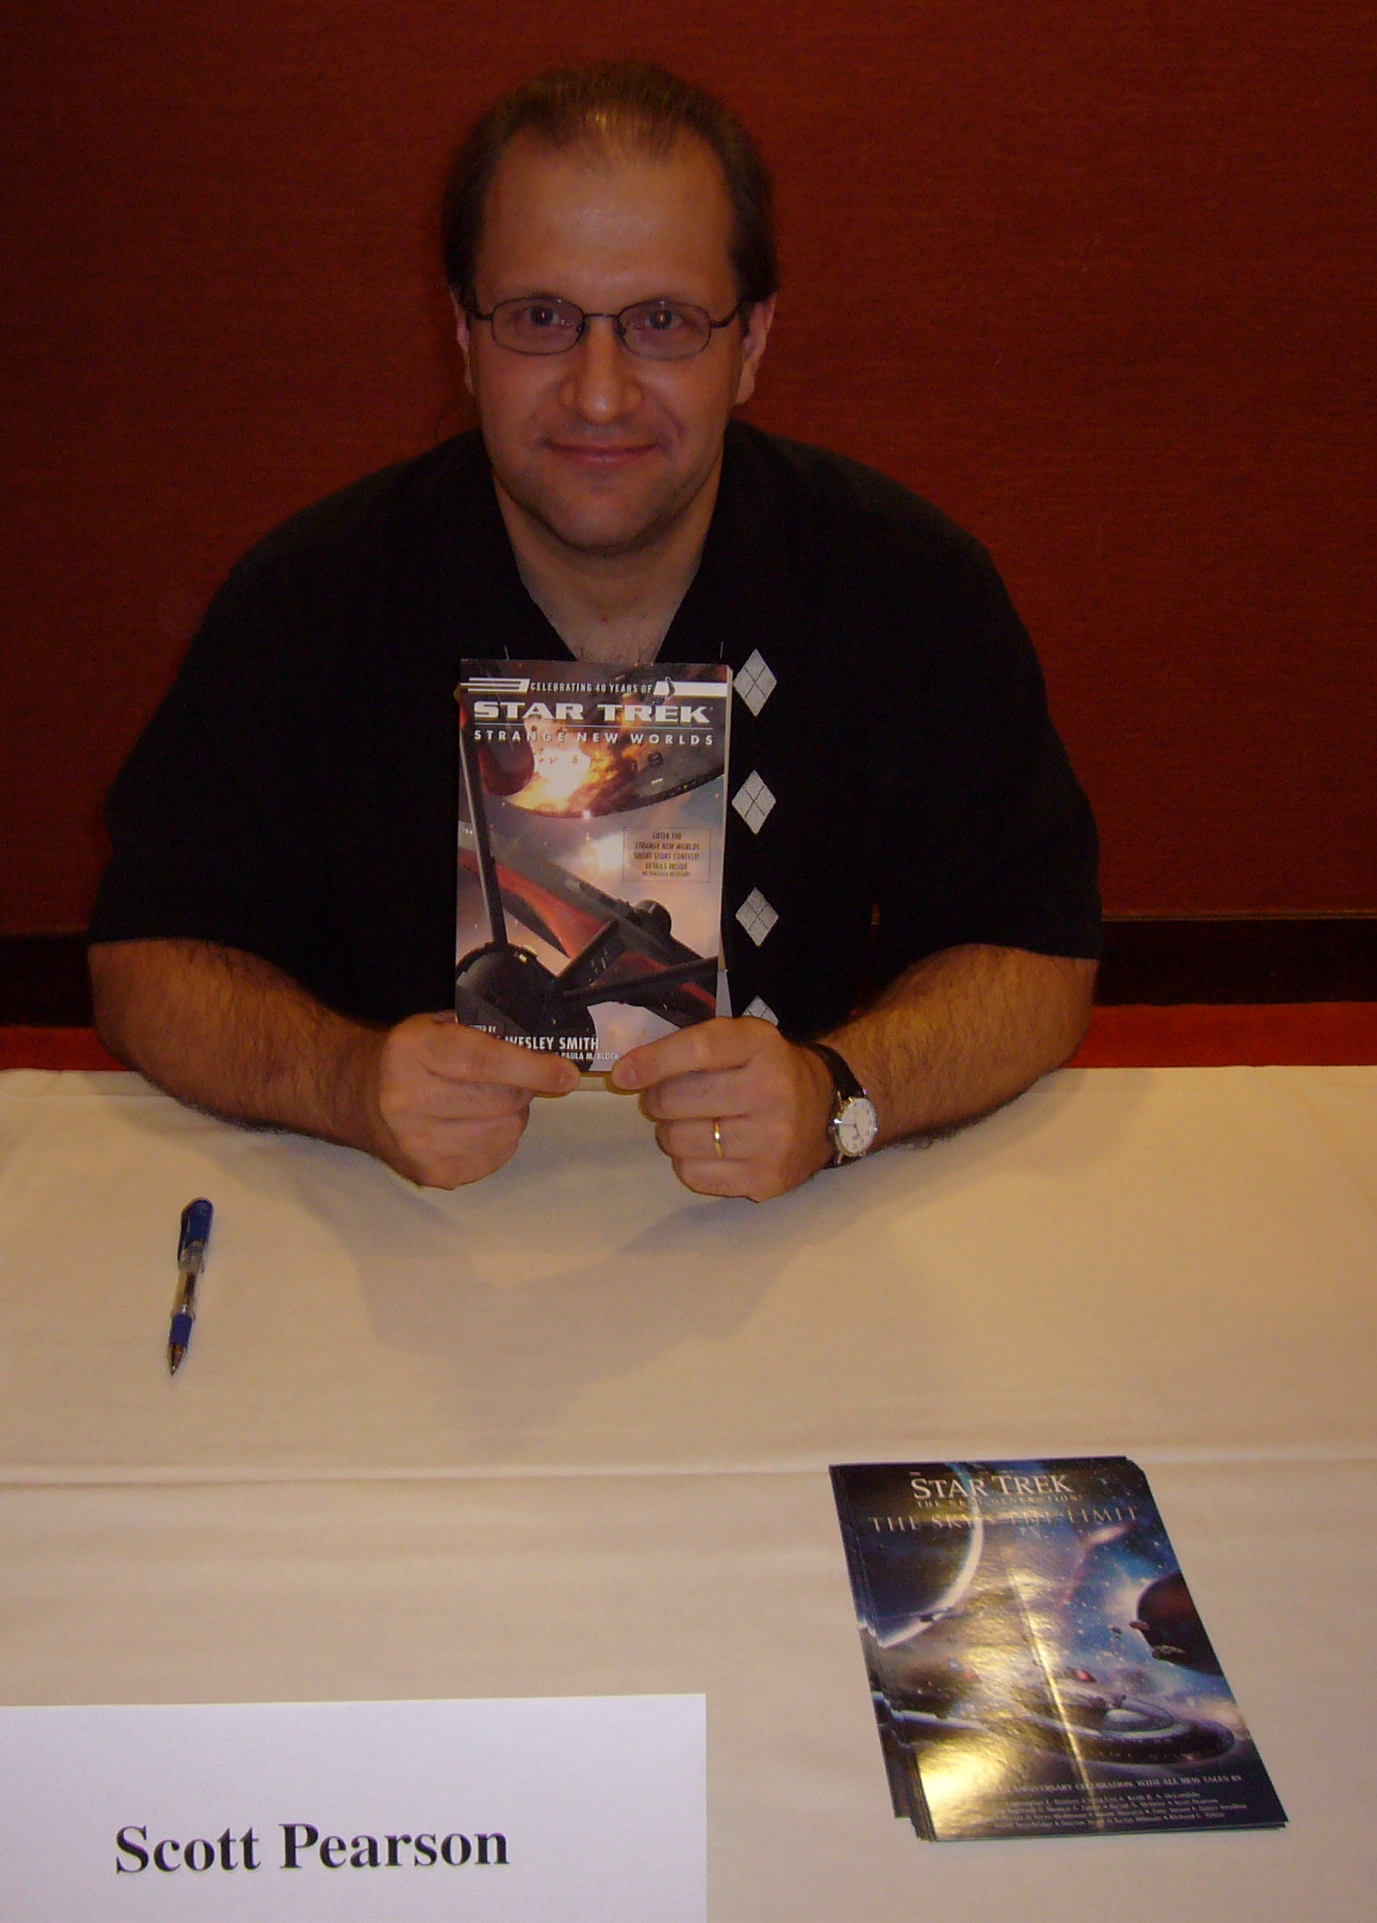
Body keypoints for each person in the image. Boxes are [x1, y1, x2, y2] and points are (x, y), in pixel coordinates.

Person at [89, 63, 1102, 1198]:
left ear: (751, 341)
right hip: (410, 1225)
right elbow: (146, 960)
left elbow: (1035, 953)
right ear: (462, 333)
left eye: (663, 322)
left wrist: (840, 1097)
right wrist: (343, 1085)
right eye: (540, 319)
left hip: (783, 1217)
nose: (601, 394)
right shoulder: (310, 598)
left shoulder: (906, 582)